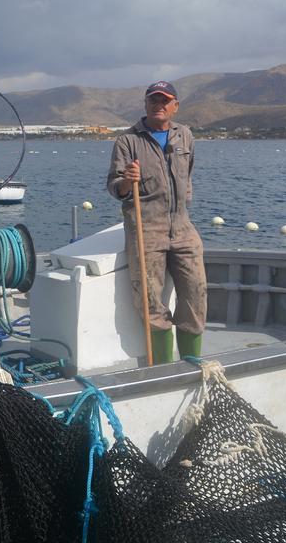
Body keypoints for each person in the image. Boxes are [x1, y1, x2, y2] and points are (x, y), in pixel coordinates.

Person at [106, 80, 205, 364]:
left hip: (183, 227)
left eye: (165, 101)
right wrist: (127, 180)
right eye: (154, 100)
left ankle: (191, 363)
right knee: (150, 301)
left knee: (196, 293)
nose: (159, 105)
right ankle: (162, 369)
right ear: (146, 104)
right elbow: (115, 188)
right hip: (146, 229)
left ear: (174, 106)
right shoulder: (128, 141)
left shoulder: (184, 136)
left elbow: (189, 175)